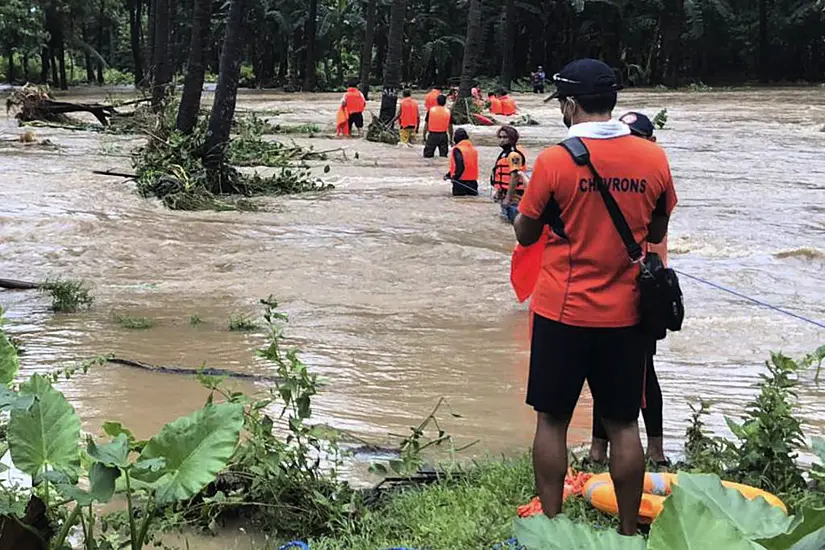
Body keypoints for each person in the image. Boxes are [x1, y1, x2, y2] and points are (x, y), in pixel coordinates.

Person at [512, 58, 677, 536]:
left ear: (569, 104)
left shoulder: (555, 161)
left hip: (562, 312)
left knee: (553, 419)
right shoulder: (653, 158)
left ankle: (551, 526)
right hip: (626, 314)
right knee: (625, 423)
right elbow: (658, 228)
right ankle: (628, 531)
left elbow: (525, 235)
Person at [587, 111, 669, 468]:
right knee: (602, 370)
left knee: (642, 372)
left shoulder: (653, 170)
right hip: (608, 285)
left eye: (635, 136)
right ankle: (597, 449)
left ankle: (656, 450)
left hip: (644, 287)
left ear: (649, 141)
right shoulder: (629, 169)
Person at [491, 125, 528, 222]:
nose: (502, 140)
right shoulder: (503, 155)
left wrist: (508, 198)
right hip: (505, 196)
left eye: (505, 137)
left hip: (515, 199)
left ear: (512, 139)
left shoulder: (514, 155)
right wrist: (498, 192)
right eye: (500, 137)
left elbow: (514, 177)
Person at [443, 128, 479, 196]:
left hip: (460, 183)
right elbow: (467, 164)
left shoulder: (457, 149)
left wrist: (455, 178)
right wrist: (448, 175)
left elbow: (460, 166)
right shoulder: (473, 149)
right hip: (473, 183)